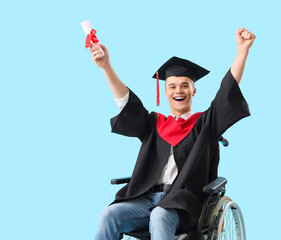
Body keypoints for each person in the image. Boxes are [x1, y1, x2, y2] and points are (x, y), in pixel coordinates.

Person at [89, 27, 255, 240]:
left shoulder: (205, 124)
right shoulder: (153, 124)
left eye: (185, 85)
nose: (178, 90)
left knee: (159, 215)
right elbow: (127, 104)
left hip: (184, 204)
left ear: (194, 90)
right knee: (109, 214)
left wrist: (242, 50)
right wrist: (106, 66)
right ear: (165, 92)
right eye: (172, 86)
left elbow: (226, 92)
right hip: (146, 198)